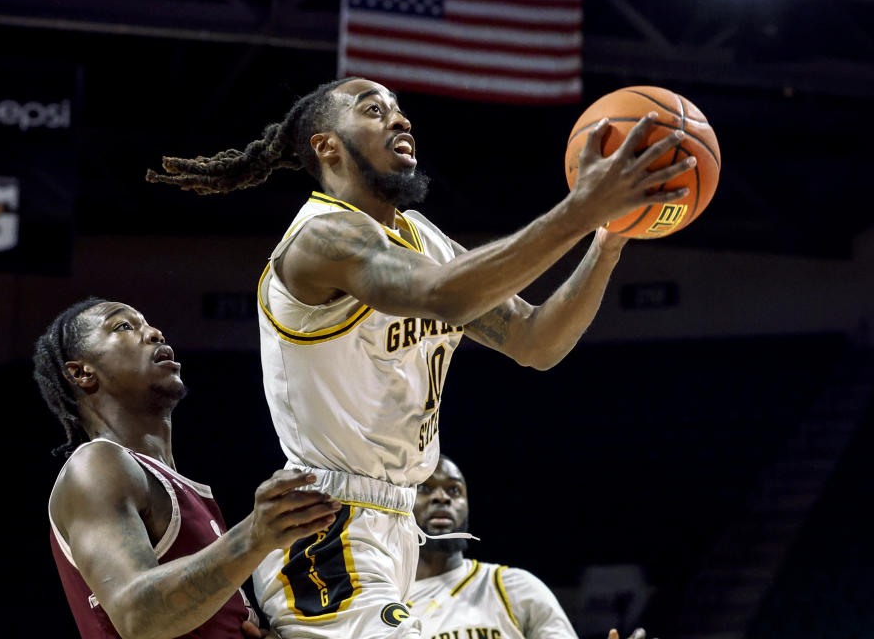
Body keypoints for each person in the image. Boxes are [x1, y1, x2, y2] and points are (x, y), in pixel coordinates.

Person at [146, 77, 694, 639]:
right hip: (324, 523)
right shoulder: (322, 240)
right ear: (326, 145)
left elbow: (536, 342)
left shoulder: (422, 239)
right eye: (374, 109)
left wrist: (606, 240)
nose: (401, 120)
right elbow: (446, 296)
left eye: (401, 109)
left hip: (396, 525)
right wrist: (580, 208)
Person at [34, 298, 342, 639]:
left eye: (148, 324)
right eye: (124, 327)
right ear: (81, 372)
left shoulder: (172, 485)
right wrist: (253, 536)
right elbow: (138, 616)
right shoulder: (95, 466)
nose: (153, 333)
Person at [410, 456, 646, 639]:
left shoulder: (512, 587)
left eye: (454, 490)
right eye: (425, 488)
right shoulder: (382, 600)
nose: (442, 497)